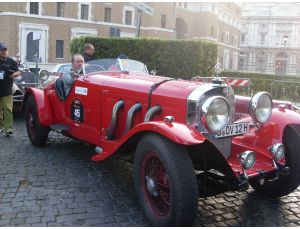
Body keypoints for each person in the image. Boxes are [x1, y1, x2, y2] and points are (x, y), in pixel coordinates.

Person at [0, 43, 20, 136]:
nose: (4, 51)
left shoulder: (11, 61)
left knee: (7, 109)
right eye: (2, 50)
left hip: (7, 89)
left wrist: (14, 74)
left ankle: (8, 128)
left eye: (5, 50)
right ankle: (1, 127)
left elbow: (18, 72)